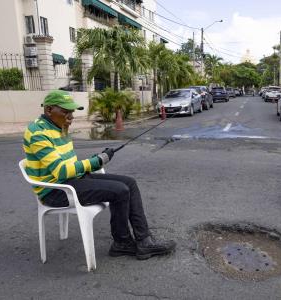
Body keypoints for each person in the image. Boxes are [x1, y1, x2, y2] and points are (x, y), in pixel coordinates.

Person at [23, 90, 176, 260]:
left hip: (73, 180)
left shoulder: (59, 125)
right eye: (65, 111)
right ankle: (122, 242)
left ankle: (144, 240)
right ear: (49, 110)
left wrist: (96, 161)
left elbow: (69, 164)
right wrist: (96, 162)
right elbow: (61, 171)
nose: (70, 116)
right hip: (56, 191)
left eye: (72, 112)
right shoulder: (37, 132)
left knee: (130, 183)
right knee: (120, 191)